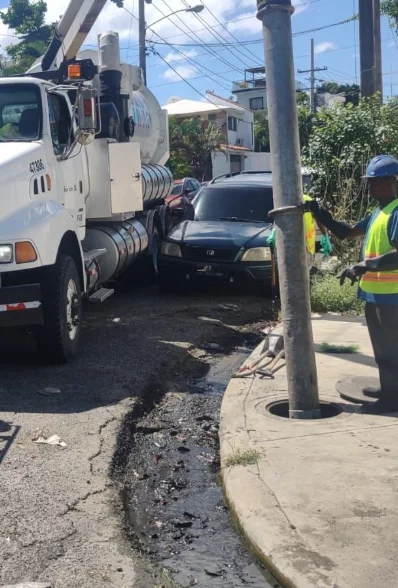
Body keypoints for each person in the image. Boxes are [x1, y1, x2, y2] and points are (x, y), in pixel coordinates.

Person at [306, 155, 398, 414]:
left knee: (390, 350)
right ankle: (388, 389)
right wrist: (320, 213)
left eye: (374, 182)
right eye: (368, 182)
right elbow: (347, 232)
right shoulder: (379, 212)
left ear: (390, 181)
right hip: (376, 294)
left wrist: (363, 266)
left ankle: (392, 401)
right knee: (381, 349)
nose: (369, 187)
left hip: (392, 296)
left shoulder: (396, 212)